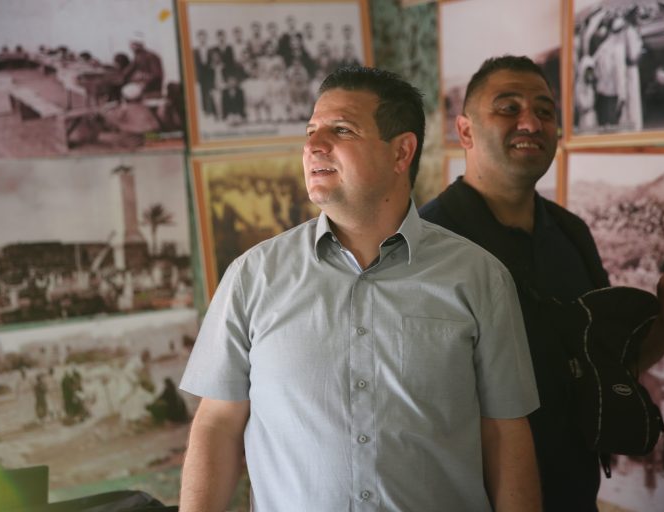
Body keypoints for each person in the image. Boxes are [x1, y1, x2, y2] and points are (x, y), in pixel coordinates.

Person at [179, 66, 541, 512]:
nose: (313, 145)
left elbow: (505, 432)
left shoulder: (480, 278)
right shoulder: (251, 277)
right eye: (311, 131)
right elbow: (217, 424)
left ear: (401, 152)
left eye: (341, 130)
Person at [419, 54, 664, 511]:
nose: (531, 123)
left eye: (544, 110)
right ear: (465, 131)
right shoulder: (429, 242)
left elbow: (601, 367)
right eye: (508, 108)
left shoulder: (571, 233)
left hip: (574, 496)